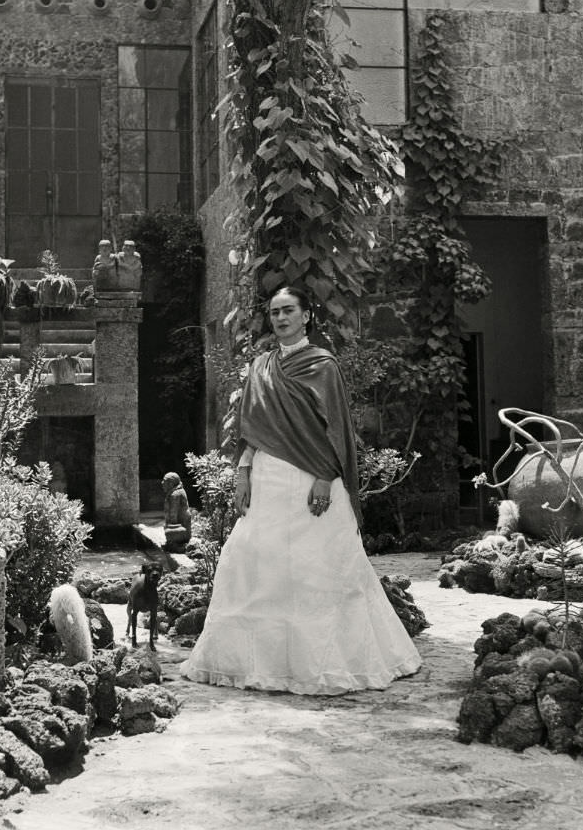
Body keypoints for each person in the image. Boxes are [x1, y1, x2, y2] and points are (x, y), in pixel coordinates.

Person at [180, 286, 422, 695]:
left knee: (319, 570)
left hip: (312, 480)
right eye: (274, 312)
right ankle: (258, 663)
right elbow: (251, 430)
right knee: (254, 561)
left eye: (288, 310)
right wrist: (242, 473)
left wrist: (327, 476)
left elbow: (336, 429)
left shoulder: (322, 365)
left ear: (307, 315)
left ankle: (325, 663)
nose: (280, 318)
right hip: (267, 480)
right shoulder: (260, 367)